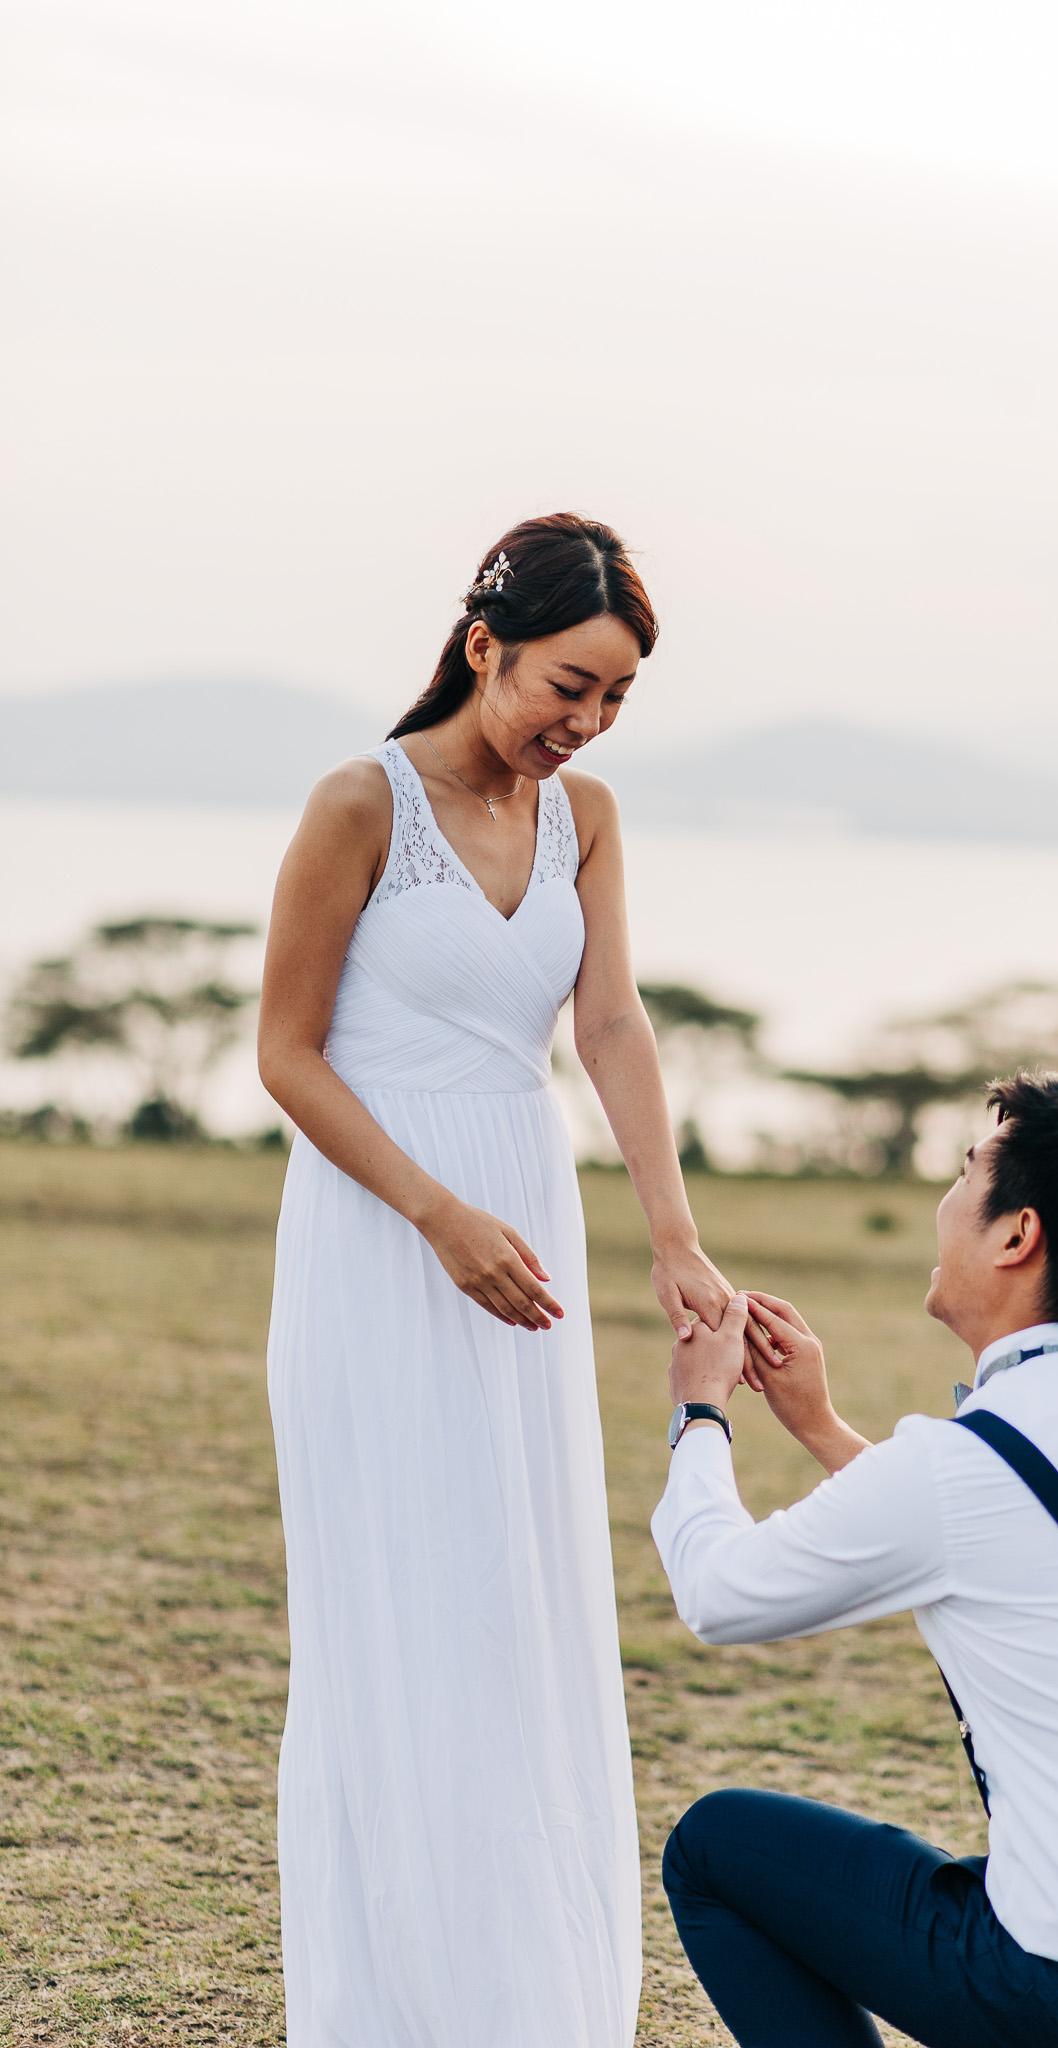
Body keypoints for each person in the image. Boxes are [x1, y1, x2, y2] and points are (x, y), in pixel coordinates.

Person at [258, 513, 732, 2048]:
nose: (581, 725)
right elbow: (284, 1052)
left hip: (525, 1222)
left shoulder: (583, 817)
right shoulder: (359, 803)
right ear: (484, 649)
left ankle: (522, 1997)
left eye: (610, 702)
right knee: (406, 1601)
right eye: (564, 687)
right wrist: (432, 1215)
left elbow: (608, 1031)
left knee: (517, 1598)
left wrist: (670, 1233)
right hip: (381, 1235)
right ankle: (394, 1999)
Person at [651, 1073, 1058, 2048]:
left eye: (965, 1173)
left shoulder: (957, 1467)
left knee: (714, 1845)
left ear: (1015, 1234)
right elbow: (1009, 1528)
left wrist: (700, 1412)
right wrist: (822, 1425)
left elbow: (716, 1592)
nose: (944, 1201)